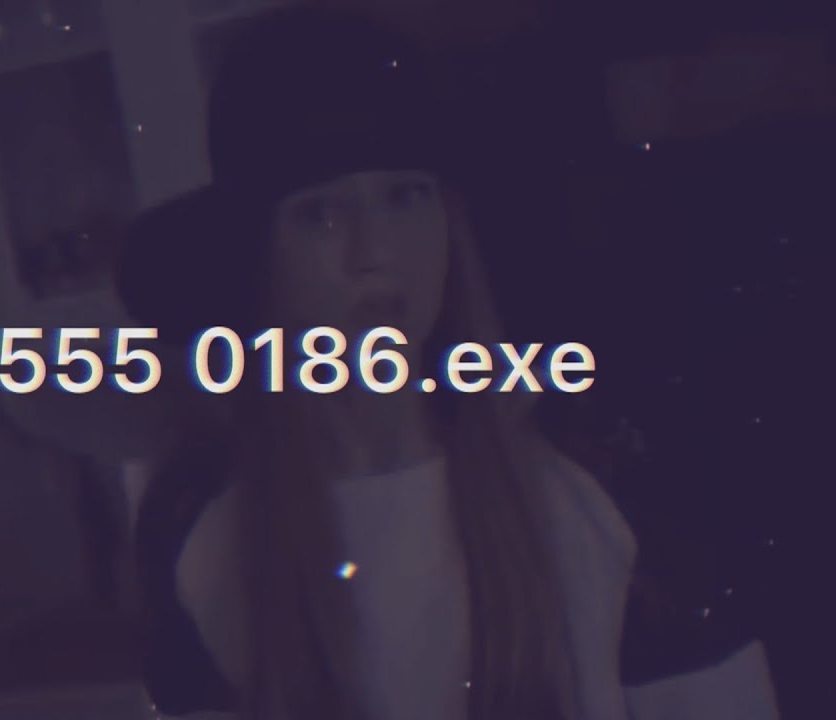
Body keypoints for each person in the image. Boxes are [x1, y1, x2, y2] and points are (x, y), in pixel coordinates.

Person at [113, 6, 779, 720]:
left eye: (406, 197)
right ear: (259, 256)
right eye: (321, 213)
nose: (373, 252)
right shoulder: (201, 527)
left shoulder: (601, 487)